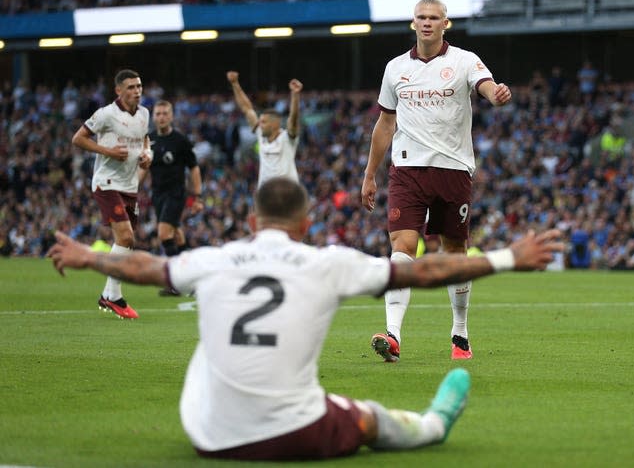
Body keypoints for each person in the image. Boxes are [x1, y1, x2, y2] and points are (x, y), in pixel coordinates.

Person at [47, 177, 563, 461]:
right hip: (294, 432)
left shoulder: (215, 258)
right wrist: (506, 258)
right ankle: (431, 426)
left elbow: (144, 265)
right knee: (366, 418)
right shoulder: (327, 262)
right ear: (306, 224)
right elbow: (422, 271)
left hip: (209, 435)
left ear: (251, 222)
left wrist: (89, 256)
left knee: (208, 352)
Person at [361, 0, 513, 362]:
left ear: (446, 24)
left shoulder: (463, 60)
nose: (427, 22)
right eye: (421, 17)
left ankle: (460, 333)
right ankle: (393, 334)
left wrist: (496, 94)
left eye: (434, 17)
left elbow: (485, 85)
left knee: (454, 252)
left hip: (453, 168)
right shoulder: (395, 68)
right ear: (413, 24)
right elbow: (385, 124)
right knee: (402, 247)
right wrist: (370, 174)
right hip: (407, 169)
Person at [71, 68, 151, 319]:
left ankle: (108, 294)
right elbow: (78, 139)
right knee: (126, 237)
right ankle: (114, 297)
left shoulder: (144, 114)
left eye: (139, 86)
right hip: (106, 182)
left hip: (129, 184)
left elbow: (144, 140)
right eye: (131, 87)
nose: (137, 91)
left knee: (126, 242)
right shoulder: (106, 114)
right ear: (118, 90)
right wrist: (107, 152)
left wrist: (147, 155)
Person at [138, 99, 204, 296]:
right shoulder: (149, 140)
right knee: (176, 235)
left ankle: (177, 283)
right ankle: (192, 279)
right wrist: (132, 190)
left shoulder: (180, 141)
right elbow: (144, 168)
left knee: (164, 234)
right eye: (158, 114)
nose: (161, 117)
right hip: (157, 194)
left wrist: (198, 196)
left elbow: (194, 168)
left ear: (172, 116)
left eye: (165, 113)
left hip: (176, 193)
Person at [226, 70, 303, 187]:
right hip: (266, 197)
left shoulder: (287, 138)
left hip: (288, 196)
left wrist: (295, 95)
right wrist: (235, 84)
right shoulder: (261, 135)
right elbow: (247, 109)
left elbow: (293, 119)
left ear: (275, 124)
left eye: (264, 122)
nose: (260, 125)